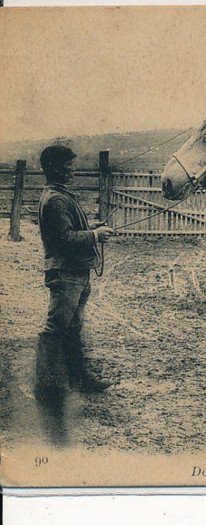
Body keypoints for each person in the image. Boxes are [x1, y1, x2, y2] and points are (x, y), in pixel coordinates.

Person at [34, 145, 115, 413]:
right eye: (68, 165)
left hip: (76, 272)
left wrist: (91, 230)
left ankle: (77, 379)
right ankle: (47, 387)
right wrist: (94, 236)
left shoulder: (59, 195)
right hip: (66, 273)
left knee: (72, 328)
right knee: (56, 329)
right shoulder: (56, 199)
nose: (72, 170)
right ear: (56, 169)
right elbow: (64, 240)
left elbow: (69, 231)